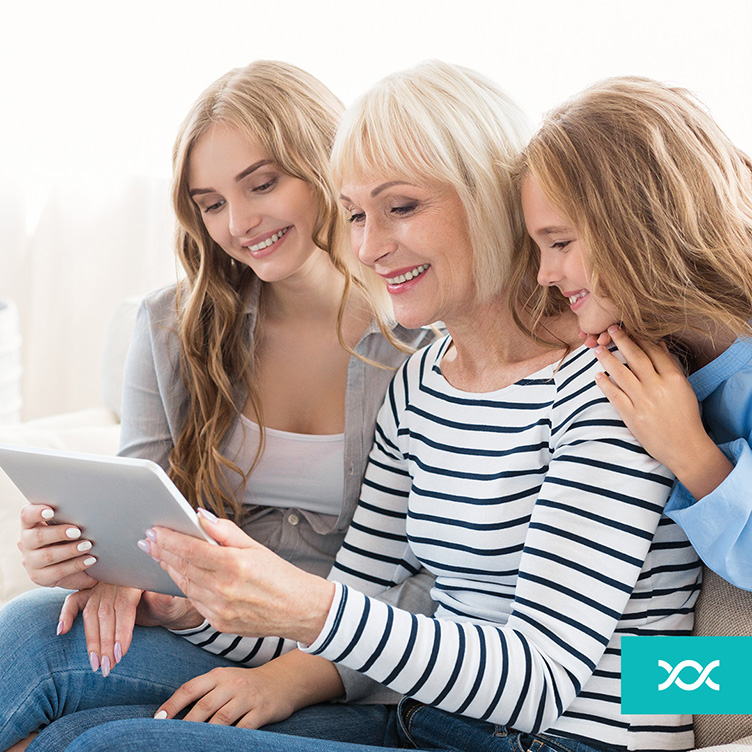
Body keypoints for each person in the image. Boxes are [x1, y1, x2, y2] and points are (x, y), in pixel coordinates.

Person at [64, 61, 701, 752]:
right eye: (357, 216)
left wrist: (310, 608)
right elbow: (358, 598)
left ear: (488, 194)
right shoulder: (423, 377)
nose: (368, 247)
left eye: (402, 208)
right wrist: (193, 609)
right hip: (427, 721)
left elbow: (538, 680)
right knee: (80, 726)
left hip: (559, 739)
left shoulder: (610, 382)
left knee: (117, 746)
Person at [0, 60, 436, 752]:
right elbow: (136, 518)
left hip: (357, 668)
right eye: (211, 203)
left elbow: (437, 577)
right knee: (26, 629)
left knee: (88, 739)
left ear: (328, 163)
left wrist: (291, 677)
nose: (239, 222)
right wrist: (87, 557)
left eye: (263, 184)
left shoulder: (422, 338)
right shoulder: (174, 327)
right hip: (213, 634)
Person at [518, 76, 752, 591]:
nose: (544, 274)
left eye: (558, 243)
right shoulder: (636, 347)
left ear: (639, 225)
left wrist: (688, 450)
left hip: (711, 660)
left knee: (670, 676)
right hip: (667, 649)